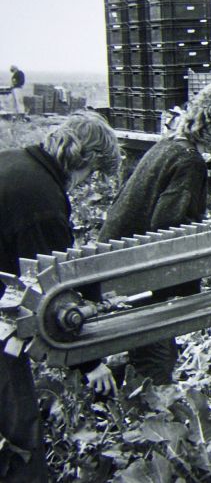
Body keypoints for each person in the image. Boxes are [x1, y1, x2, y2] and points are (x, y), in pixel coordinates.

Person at [98, 83, 211, 385]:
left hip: (116, 262)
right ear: (208, 122)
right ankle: (148, 412)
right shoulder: (189, 161)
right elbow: (167, 231)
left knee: (148, 347)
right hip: (139, 271)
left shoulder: (168, 145)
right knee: (156, 355)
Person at [0, 111, 121, 483]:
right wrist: (90, 363)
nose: (87, 184)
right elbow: (51, 296)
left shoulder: (15, 161)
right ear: (82, 159)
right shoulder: (41, 201)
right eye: (93, 173)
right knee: (18, 423)